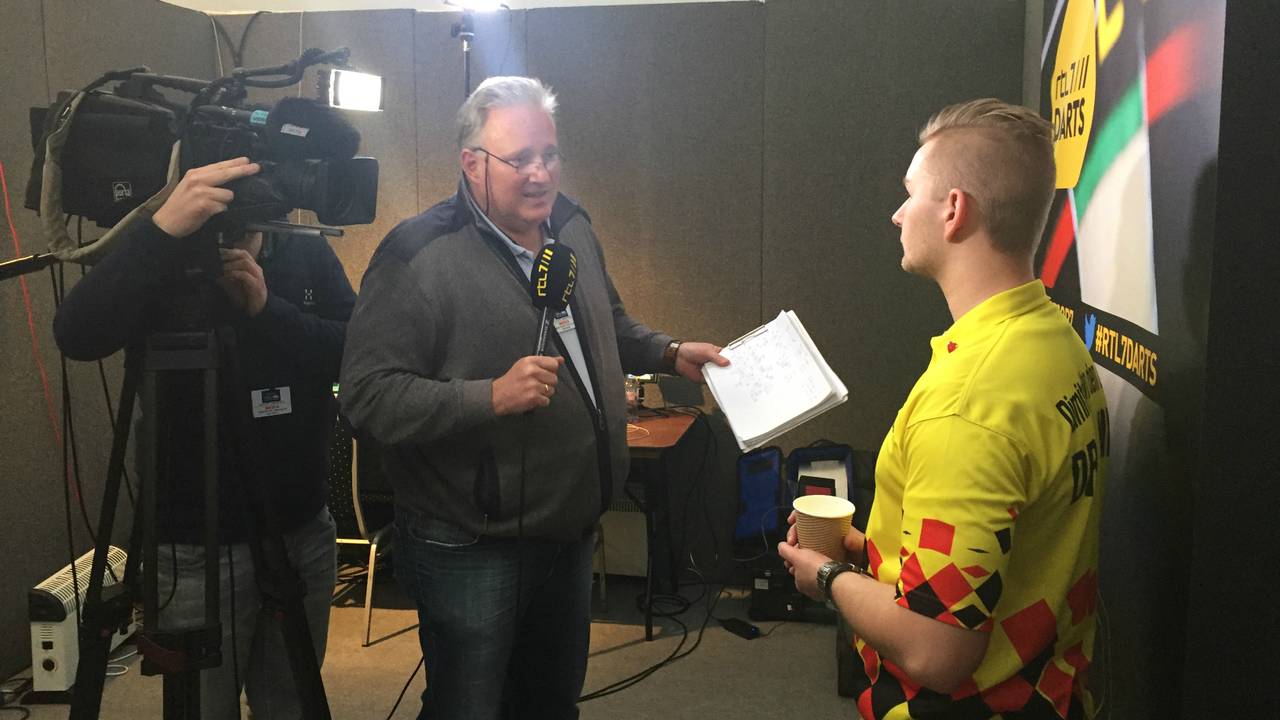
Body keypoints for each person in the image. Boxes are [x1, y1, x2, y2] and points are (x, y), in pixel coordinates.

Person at [338, 76, 728, 719]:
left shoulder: (570, 225)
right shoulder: (417, 256)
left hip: (568, 528)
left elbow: (608, 322)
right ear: (472, 164)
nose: (540, 174)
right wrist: (488, 396)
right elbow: (367, 397)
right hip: (470, 542)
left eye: (549, 155)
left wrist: (668, 351)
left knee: (550, 702)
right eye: (520, 159)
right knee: (469, 707)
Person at [778, 99, 1109, 719]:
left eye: (910, 194)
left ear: (954, 211)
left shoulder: (967, 404)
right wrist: (863, 551)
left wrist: (825, 577)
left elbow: (937, 649)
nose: (898, 213)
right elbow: (1008, 548)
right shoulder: (1052, 340)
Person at [53, 157, 355, 719]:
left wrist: (268, 311)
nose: (235, 241)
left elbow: (356, 350)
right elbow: (77, 334)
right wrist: (159, 232)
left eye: (247, 227)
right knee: (203, 709)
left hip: (300, 528)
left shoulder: (304, 250)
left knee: (291, 704)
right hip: (194, 543)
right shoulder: (161, 255)